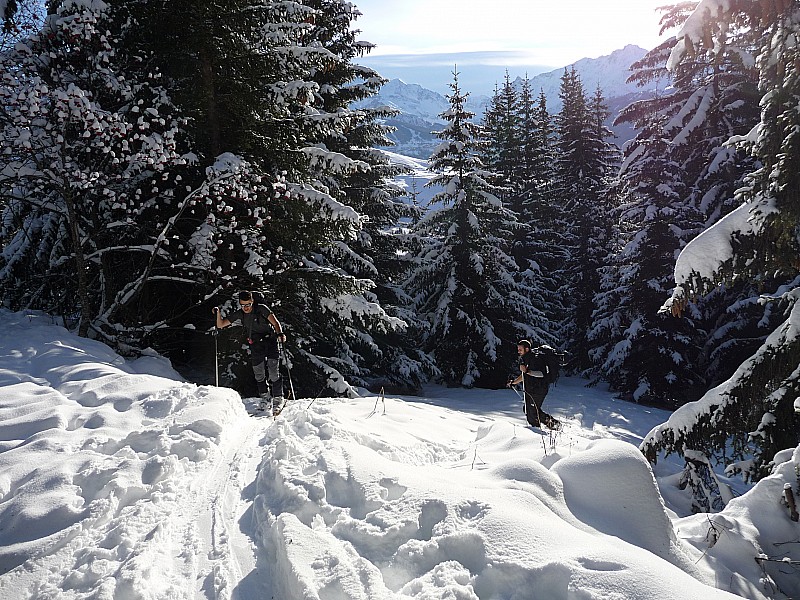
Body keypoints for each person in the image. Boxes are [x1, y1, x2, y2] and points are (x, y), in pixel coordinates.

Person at [213, 291, 287, 412]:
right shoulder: (240, 314)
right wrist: (217, 313)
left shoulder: (261, 309)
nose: (246, 308)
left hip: (270, 341)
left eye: (248, 304)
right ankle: (265, 398)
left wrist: (280, 334)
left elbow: (275, 322)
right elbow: (221, 325)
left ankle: (278, 398)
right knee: (259, 373)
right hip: (256, 344)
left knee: (273, 370)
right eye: (243, 305)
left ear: (252, 302)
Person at [508, 339, 560, 429]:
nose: (518, 351)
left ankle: (537, 431)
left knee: (532, 412)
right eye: (518, 349)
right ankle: (553, 424)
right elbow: (524, 375)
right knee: (528, 410)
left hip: (539, 389)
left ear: (527, 349)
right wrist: (514, 382)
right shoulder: (526, 359)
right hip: (531, 389)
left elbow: (541, 374)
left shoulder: (535, 359)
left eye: (520, 349)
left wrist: (528, 371)